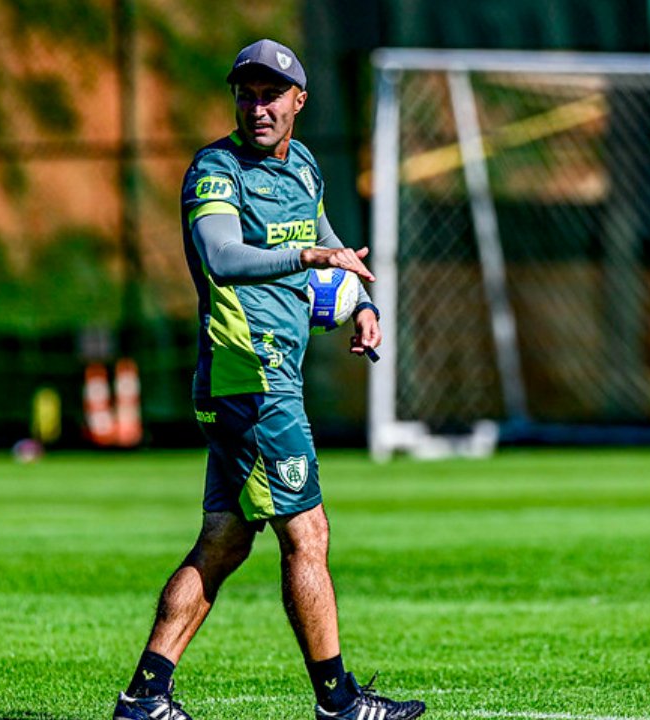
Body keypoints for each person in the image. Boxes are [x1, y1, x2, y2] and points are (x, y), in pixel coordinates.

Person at [113, 40, 425, 720]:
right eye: (247, 94)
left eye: (272, 95)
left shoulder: (304, 164)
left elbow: (327, 237)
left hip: (267, 377)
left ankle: (144, 697)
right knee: (307, 534)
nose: (258, 107)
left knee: (224, 541)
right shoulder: (216, 171)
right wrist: (306, 257)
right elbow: (222, 256)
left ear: (298, 101)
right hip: (248, 379)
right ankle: (339, 702)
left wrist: (361, 302)